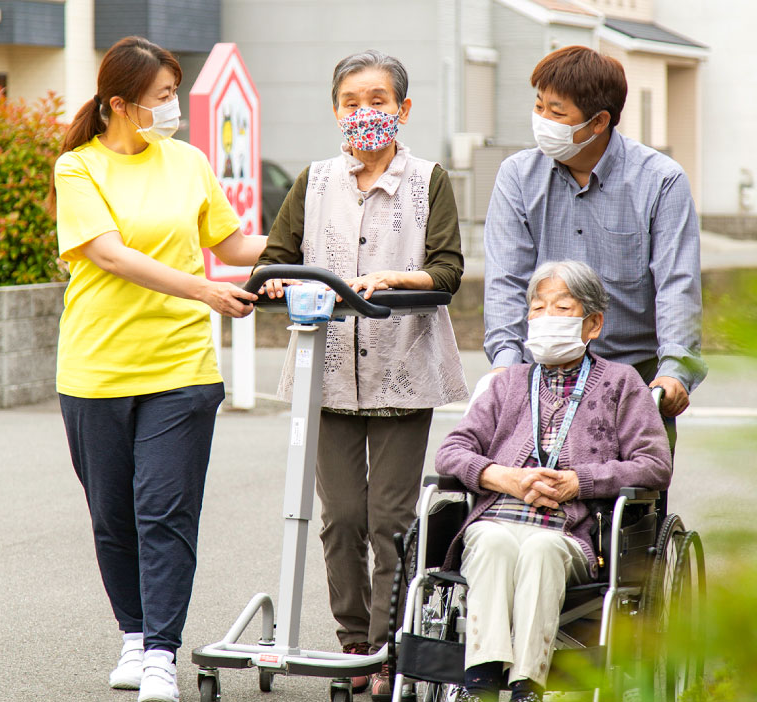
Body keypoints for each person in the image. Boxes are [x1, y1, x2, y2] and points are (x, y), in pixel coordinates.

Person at [51, 36, 266, 702]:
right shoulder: (78, 169)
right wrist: (204, 290)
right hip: (96, 369)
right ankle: (135, 636)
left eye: (175, 92)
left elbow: (230, 242)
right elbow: (110, 256)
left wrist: (306, 235)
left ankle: (161, 657)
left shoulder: (189, 162)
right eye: (163, 97)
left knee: (164, 512)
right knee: (113, 517)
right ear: (119, 104)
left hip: (180, 367)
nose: (174, 107)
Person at [254, 49, 468, 700]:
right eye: (351, 102)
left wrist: (395, 279)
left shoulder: (428, 179)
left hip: (404, 367)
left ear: (403, 110)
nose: (364, 112)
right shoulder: (313, 182)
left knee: (391, 519)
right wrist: (275, 285)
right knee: (342, 516)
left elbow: (448, 270)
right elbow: (275, 258)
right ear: (335, 110)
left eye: (378, 101)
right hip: (328, 375)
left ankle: (385, 649)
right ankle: (352, 643)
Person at [435, 260, 672, 702]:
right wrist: (500, 476)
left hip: (569, 533)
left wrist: (577, 482)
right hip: (500, 517)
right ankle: (481, 680)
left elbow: (655, 465)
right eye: (537, 308)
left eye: (561, 308)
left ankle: (528, 684)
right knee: (489, 540)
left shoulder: (623, 384)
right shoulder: (506, 384)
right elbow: (450, 451)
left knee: (541, 548)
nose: (545, 318)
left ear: (592, 324)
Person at [483, 45, 707, 436]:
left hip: (634, 377)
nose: (542, 121)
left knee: (632, 489)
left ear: (599, 121)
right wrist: (505, 363)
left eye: (556, 112)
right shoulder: (518, 176)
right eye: (539, 108)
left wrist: (675, 372)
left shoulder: (660, 181)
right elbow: (506, 279)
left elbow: (677, 285)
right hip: (540, 373)